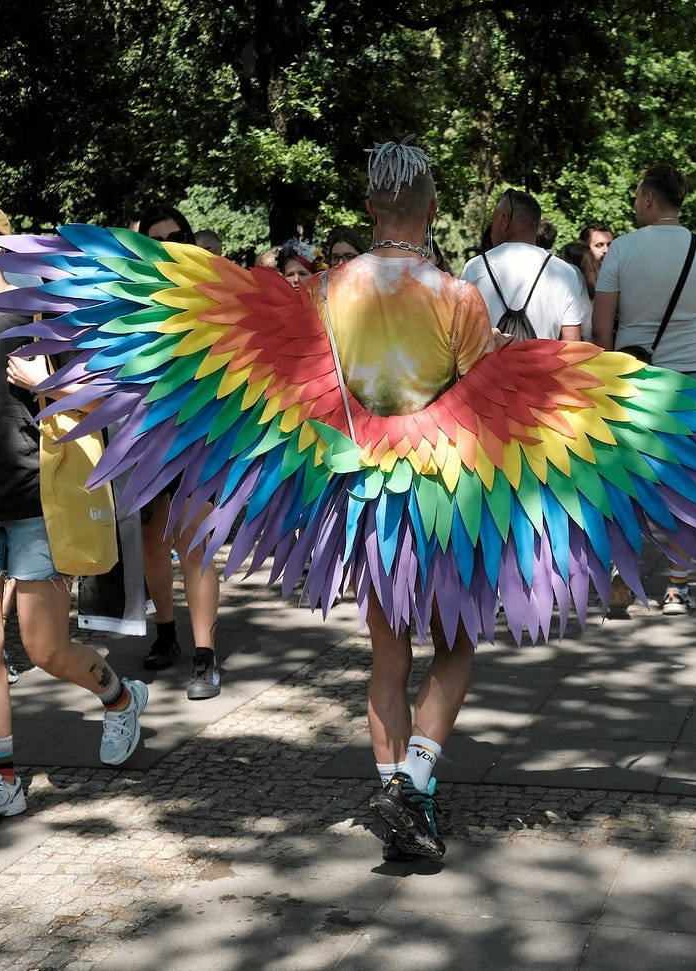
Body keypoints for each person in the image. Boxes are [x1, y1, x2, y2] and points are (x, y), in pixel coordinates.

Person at [0, 197, 147, 829]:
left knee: (43, 648)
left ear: (1, 242)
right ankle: (2, 778)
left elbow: (112, 398)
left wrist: (42, 384)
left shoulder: (45, 322)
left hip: (35, 505)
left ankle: (120, 696)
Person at [306, 139, 497, 862]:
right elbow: (485, 406)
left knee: (389, 655)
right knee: (455, 644)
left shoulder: (326, 289)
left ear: (368, 209)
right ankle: (412, 786)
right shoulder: (458, 297)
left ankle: (394, 789)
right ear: (435, 210)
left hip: (363, 495)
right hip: (445, 494)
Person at [591, 162, 696, 615]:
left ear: (650, 199)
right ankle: (677, 586)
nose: (634, 204)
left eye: (636, 196)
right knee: (691, 482)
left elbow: (600, 326)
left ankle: (621, 572)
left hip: (639, 379)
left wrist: (605, 384)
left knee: (627, 477)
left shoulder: (623, 250)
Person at [134, 203, 224, 700]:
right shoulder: (134, 295)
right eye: (158, 239)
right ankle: (165, 632)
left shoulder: (214, 290)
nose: (172, 244)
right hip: (148, 434)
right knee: (153, 543)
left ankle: (205, 656)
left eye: (178, 235)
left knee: (195, 541)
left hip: (200, 433)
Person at [461, 188, 588, 341]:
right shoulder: (564, 272)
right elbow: (572, 343)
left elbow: (463, 334)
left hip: (490, 364)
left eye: (492, 220)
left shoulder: (476, 267)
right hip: (545, 364)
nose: (491, 230)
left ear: (504, 219)